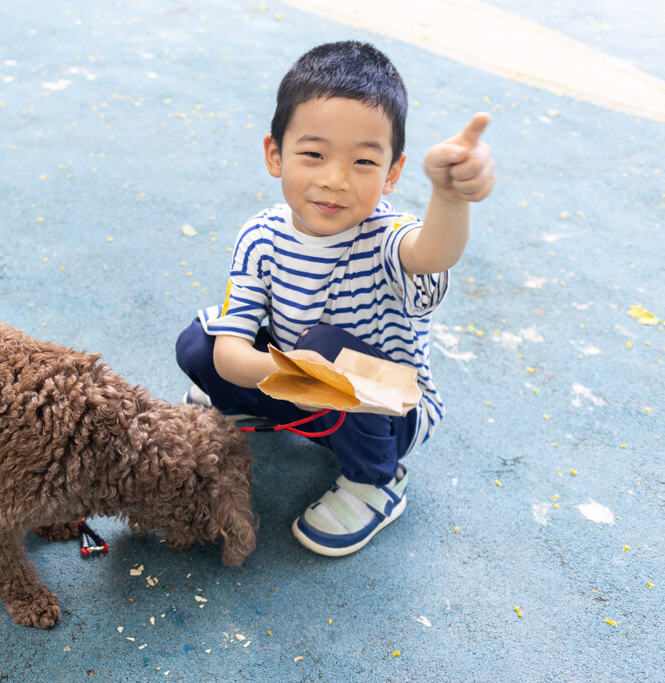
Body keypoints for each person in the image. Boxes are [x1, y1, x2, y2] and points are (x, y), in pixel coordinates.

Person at [175, 40, 494, 557]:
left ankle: (376, 480)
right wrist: (293, 376)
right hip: (302, 380)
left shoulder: (388, 236)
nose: (334, 179)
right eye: (314, 153)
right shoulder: (260, 236)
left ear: (392, 172)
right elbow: (231, 355)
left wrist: (450, 198)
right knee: (197, 343)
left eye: (364, 161)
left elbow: (433, 252)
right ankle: (269, 411)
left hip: (389, 411)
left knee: (324, 349)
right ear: (275, 154)